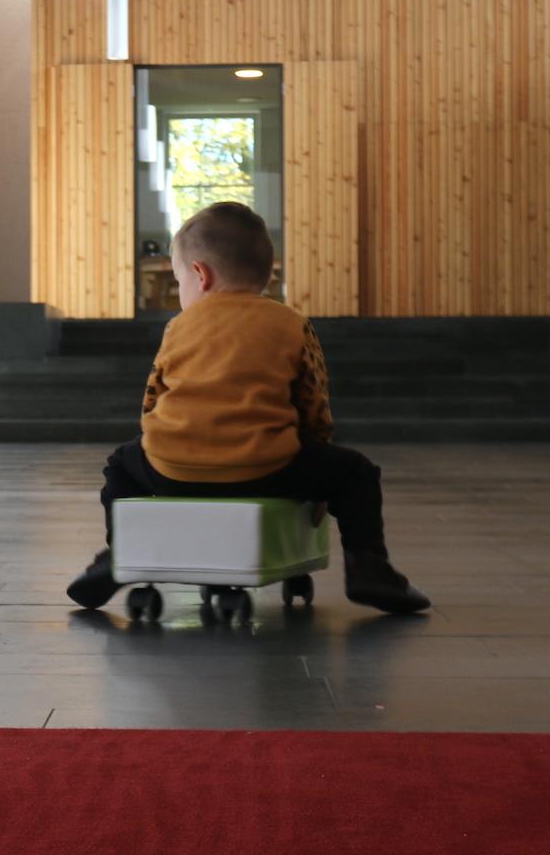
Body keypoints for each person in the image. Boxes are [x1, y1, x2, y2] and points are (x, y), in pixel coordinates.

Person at [66, 201, 430, 615]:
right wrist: (318, 479)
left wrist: (162, 444)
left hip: (172, 470)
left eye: (180, 278)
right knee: (358, 474)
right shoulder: (290, 323)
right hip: (266, 471)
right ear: (267, 272)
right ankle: (370, 570)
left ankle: (119, 556)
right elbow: (313, 403)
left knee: (119, 465)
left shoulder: (177, 327)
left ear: (200, 275)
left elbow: (152, 400)